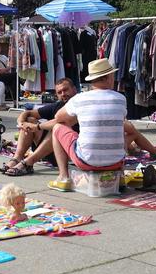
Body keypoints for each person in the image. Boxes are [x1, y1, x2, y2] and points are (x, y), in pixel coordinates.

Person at [48, 59, 127, 192]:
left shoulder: (80, 99)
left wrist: (80, 118)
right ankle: (121, 175)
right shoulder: (121, 98)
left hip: (86, 161)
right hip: (116, 162)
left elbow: (58, 118)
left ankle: (63, 177)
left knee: (57, 127)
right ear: (108, 77)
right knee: (119, 128)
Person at [0, 78, 77, 177]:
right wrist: (22, 122)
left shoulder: (79, 105)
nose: (63, 94)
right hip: (50, 152)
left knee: (57, 128)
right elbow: (27, 112)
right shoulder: (58, 106)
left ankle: (28, 162)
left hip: (69, 154)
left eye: (65, 90)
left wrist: (37, 127)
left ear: (74, 89)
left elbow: (61, 121)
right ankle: (17, 158)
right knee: (29, 120)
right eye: (59, 92)